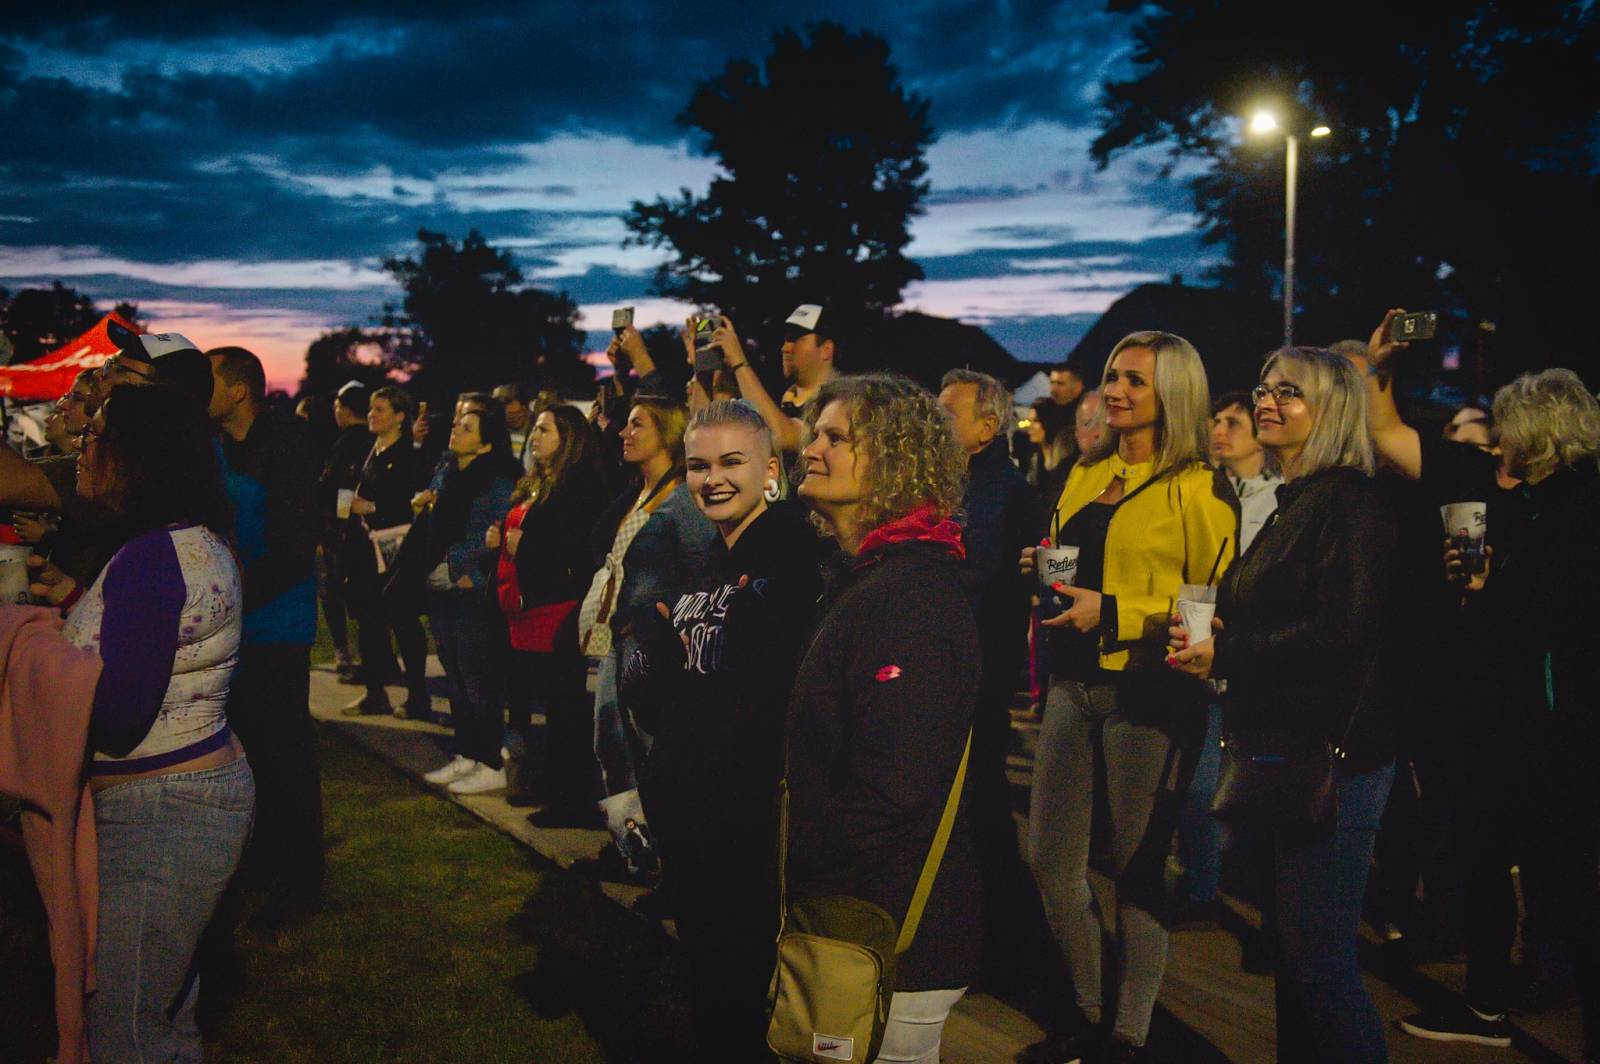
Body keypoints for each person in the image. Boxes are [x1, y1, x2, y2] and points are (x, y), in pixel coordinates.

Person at [1169, 346, 1396, 1062]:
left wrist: (1228, 652)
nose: (1267, 401)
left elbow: (1344, 626)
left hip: (1333, 756)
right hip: (1286, 743)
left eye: (1289, 392)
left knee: (1320, 961)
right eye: (1265, 388)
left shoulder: (1348, 501)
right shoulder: (1298, 501)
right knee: (1298, 963)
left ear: (1331, 411)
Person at [1020, 331, 1236, 1063]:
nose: (1114, 390)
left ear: (1172, 394)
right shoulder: (1086, 470)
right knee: (1053, 863)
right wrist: (1042, 570)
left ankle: (1127, 1034)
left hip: (1147, 695)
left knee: (1139, 871)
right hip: (1071, 688)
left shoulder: (1201, 487)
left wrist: (1111, 610)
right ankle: (1087, 1008)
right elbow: (1070, 558)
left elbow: (1206, 601)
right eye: (1112, 376)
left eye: (1135, 381)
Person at [41, 384, 253, 1061]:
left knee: (126, 1027)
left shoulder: (149, 559)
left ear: (137, 456)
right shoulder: (194, 542)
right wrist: (77, 604)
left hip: (161, 815)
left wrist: (37, 655)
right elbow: (163, 651)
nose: (80, 444)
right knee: (165, 1015)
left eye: (93, 433)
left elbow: (121, 711)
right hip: (193, 800)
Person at [1398, 369, 1600, 1058]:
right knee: (1517, 867)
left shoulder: (1570, 508)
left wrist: (1490, 585)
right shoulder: (1551, 502)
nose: (1500, 439)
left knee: (1544, 876)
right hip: (1527, 728)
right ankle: (1490, 1000)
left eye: (1510, 425)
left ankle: (1491, 1005)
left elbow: (1557, 617)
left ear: (1538, 433)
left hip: (1543, 733)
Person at [785, 373, 980, 1064]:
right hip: (857, 914)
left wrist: (789, 858)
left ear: (895, 461)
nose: (812, 448)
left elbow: (894, 789)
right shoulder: (868, 576)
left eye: (837, 437)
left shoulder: (911, 596)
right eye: (816, 432)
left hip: (890, 932)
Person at [623, 398, 823, 1058]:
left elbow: (760, 688)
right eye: (699, 466)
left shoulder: (789, 555)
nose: (713, 479)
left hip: (744, 810)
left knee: (741, 983)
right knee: (708, 973)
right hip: (692, 802)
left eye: (732, 462)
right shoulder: (709, 552)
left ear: (771, 469)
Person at [207, 345, 324, 923]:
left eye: (207, 378)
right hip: (231, 620)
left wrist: (237, 593)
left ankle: (300, 878)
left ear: (237, 389)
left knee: (284, 754)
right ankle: (257, 858)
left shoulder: (286, 443)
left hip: (275, 619)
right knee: (244, 749)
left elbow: (294, 542)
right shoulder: (215, 446)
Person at [571, 397, 713, 863]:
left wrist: (662, 618)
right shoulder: (636, 491)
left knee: (648, 749)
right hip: (620, 635)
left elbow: (699, 568)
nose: (624, 433)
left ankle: (668, 860)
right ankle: (633, 848)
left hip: (649, 643)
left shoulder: (682, 498)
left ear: (666, 432)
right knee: (611, 743)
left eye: (637, 425)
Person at [937, 369, 1039, 986]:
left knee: (980, 807)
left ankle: (1005, 943)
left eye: (949, 413)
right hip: (952, 666)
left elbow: (984, 579)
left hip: (975, 673)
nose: (936, 422)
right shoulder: (955, 482)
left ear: (986, 426)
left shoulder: (1007, 492)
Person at [489, 404, 606, 809]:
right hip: (520, 605)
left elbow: (574, 547)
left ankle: (567, 794)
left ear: (567, 438)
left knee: (563, 706)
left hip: (555, 608)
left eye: (545, 430)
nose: (535, 437)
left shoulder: (577, 486)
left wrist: (528, 546)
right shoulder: (535, 481)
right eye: (535, 430)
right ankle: (531, 781)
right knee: (527, 701)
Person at [404, 395, 521, 795]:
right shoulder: (449, 468)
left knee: (477, 678)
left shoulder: (498, 477)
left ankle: (490, 760)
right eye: (456, 424)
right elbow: (437, 509)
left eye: (466, 428)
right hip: (439, 583)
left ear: (486, 441)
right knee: (454, 672)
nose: (455, 429)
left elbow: (488, 531)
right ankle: (466, 753)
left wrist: (462, 569)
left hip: (468, 588)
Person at [340, 385, 430, 718]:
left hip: (395, 549)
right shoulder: (369, 449)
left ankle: (417, 696)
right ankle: (375, 692)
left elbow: (415, 502)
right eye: (370, 409)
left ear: (400, 417)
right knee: (368, 621)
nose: (371, 415)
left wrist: (372, 507)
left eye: (380, 409)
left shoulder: (409, 454)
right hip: (364, 549)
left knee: (404, 620)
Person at [704, 303, 840, 455]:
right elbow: (710, 432)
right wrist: (702, 370)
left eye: (794, 339)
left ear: (826, 350)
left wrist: (739, 362)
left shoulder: (837, 403)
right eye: (785, 339)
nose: (785, 348)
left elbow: (782, 436)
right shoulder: (778, 399)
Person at [319, 381, 372, 684]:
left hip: (344, 532)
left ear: (344, 408)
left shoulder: (346, 443)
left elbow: (334, 489)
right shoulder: (374, 440)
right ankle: (379, 660)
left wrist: (336, 523)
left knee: (337, 593)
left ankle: (347, 655)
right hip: (367, 527)